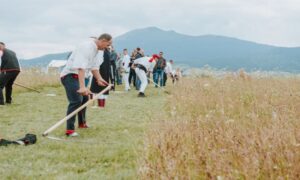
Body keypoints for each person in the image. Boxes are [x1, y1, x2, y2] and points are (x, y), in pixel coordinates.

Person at [60, 34, 111, 137]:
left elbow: (94, 67)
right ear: (102, 41)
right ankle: (69, 130)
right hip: (70, 75)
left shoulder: (99, 51)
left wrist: (99, 79)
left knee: (84, 100)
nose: (108, 47)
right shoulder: (86, 47)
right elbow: (80, 67)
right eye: (108, 44)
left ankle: (82, 123)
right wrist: (82, 87)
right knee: (76, 101)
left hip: (84, 76)